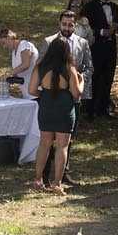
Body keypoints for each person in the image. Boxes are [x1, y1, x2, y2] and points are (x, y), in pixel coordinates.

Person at [30, 37, 83, 193]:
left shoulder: (40, 66)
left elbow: (31, 90)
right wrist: (82, 81)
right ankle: (57, 183)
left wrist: (45, 95)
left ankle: (38, 179)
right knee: (62, 146)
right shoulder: (69, 68)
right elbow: (76, 93)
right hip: (64, 109)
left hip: (46, 106)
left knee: (44, 144)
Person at [81, 0, 118, 119]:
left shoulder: (114, 7)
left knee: (108, 78)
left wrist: (117, 27)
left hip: (111, 48)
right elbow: (86, 28)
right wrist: (101, 32)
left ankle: (103, 109)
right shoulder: (90, 7)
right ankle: (90, 110)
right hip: (96, 47)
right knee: (95, 77)